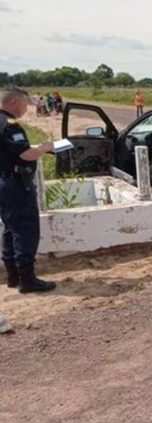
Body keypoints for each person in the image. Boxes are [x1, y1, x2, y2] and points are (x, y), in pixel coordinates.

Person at [0, 86, 57, 293]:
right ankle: (27, 280)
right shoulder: (10, 126)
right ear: (13, 103)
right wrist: (45, 148)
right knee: (26, 230)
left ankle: (13, 276)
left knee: (10, 229)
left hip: (4, 183)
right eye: (25, 104)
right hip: (15, 184)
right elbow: (26, 155)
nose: (26, 109)